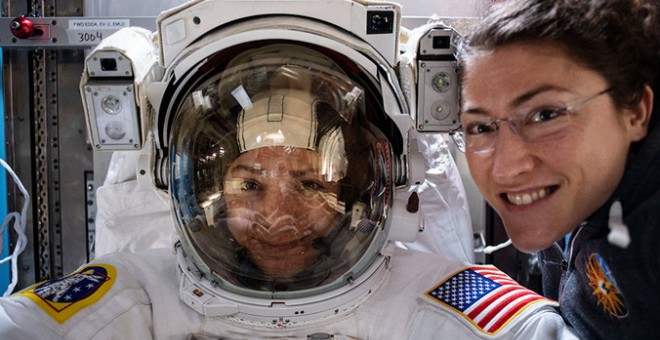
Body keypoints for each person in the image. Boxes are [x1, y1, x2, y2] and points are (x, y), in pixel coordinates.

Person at [0, 36, 577, 338]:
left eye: (309, 183)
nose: (278, 216)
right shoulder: (143, 289)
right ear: (202, 189)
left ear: (358, 191)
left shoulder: (424, 291)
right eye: (250, 184)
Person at [453, 0, 660, 338]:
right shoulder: (577, 193)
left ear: (635, 112)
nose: (505, 169)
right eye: (480, 127)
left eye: (545, 115)